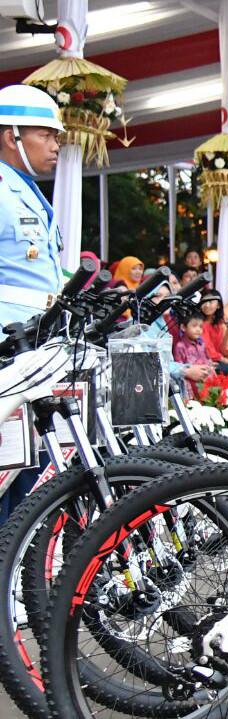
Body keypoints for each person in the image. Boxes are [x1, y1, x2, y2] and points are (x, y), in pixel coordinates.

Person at [0, 84, 66, 523]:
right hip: (7, 352)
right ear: (12, 135)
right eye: (47, 134)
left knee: (30, 477)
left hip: (33, 352)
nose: (57, 146)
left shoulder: (22, 189)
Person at [172, 313, 215, 396]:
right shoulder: (180, 346)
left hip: (206, 377)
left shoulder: (201, 344)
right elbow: (180, 366)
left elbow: (207, 359)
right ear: (183, 327)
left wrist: (210, 367)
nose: (198, 330)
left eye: (200, 327)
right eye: (194, 326)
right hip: (191, 380)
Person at [199, 290, 225, 364]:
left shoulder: (220, 323)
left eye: (210, 302)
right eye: (204, 301)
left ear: (218, 305)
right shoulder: (199, 324)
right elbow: (210, 352)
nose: (206, 305)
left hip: (220, 359)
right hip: (209, 362)